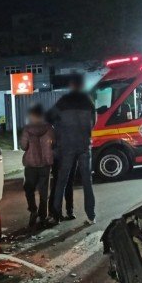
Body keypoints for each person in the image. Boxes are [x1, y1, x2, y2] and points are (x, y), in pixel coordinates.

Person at [47, 73, 96, 225]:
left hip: (67, 145)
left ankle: (55, 214)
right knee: (87, 181)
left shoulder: (63, 101)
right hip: (83, 145)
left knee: (62, 180)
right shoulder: (88, 101)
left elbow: (49, 117)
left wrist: (60, 132)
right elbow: (93, 122)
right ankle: (91, 215)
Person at [20, 104, 55, 228]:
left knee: (29, 189)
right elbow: (54, 143)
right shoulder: (50, 128)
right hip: (45, 164)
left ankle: (33, 210)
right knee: (44, 192)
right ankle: (43, 217)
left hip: (31, 165)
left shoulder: (27, 129)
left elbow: (23, 146)